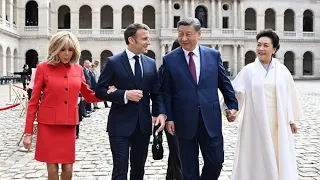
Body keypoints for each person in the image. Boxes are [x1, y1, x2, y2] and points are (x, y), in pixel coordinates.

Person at [161, 17, 238, 180]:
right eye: (180, 34)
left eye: (188, 34)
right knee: (189, 169)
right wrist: (170, 118)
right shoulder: (169, 60)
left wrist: (232, 105)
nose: (183, 38)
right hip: (183, 121)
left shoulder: (213, 55)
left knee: (216, 161)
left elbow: (224, 84)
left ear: (199, 34)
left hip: (210, 120)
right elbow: (166, 92)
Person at [23, 31, 101, 180]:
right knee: (52, 170)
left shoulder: (78, 69)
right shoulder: (43, 68)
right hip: (48, 125)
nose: (67, 53)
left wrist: (109, 94)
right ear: (55, 49)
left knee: (68, 169)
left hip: (68, 124)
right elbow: (33, 102)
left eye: (70, 49)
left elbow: (89, 96)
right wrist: (28, 133)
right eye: (63, 49)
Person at [95, 23, 166, 180]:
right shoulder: (113, 62)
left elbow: (157, 93)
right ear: (131, 40)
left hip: (143, 126)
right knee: (120, 171)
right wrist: (124, 94)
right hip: (119, 126)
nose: (149, 42)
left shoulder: (150, 63)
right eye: (145, 39)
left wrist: (160, 112)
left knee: (138, 171)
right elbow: (99, 90)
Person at [230, 29, 301, 180]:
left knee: (277, 152)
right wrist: (231, 109)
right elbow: (235, 92)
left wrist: (291, 120)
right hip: (254, 121)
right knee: (256, 154)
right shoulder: (248, 70)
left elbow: (288, 95)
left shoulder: (282, 71)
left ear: (274, 49)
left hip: (277, 121)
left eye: (266, 45)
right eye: (258, 45)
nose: (261, 49)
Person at [157, 39, 182, 180]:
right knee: (178, 154)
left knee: (176, 154)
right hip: (171, 117)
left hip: (181, 116)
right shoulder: (167, 67)